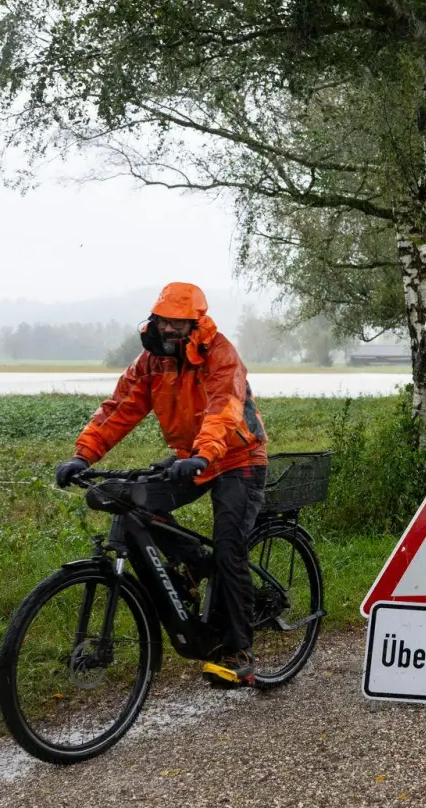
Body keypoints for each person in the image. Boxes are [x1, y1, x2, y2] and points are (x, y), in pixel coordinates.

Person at [54, 282, 269, 686]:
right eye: (162, 320)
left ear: (196, 322)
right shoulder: (151, 361)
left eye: (176, 322)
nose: (167, 328)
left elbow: (223, 407)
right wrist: (83, 454)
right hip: (191, 459)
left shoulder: (220, 354)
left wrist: (204, 453)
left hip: (237, 458)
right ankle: (195, 562)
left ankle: (239, 651)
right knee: (127, 501)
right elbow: (119, 409)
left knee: (229, 546)